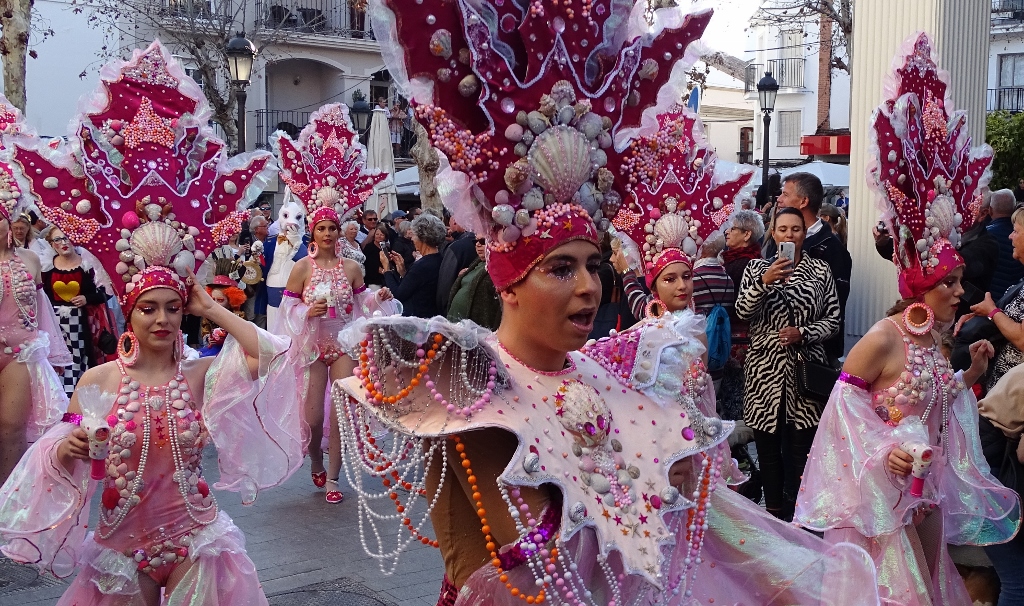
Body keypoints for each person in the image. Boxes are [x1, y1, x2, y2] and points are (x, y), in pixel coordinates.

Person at [331, 8, 881, 601]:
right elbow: (499, 570)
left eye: (594, 265)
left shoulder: (625, 373)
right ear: (508, 282)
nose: (590, 286)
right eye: (561, 269)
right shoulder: (463, 384)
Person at [0, 41, 305, 604]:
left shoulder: (199, 376)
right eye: (149, 308)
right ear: (129, 314)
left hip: (197, 543)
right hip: (121, 549)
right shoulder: (98, 384)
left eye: (171, 306)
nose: (162, 319)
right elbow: (60, 449)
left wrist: (210, 308)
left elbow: (273, 355)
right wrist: (70, 450)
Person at [796, 34, 1021, 605]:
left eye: (957, 281)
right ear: (920, 288)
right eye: (947, 284)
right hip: (882, 507)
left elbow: (936, 401)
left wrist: (969, 373)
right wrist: (882, 453)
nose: (958, 291)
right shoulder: (882, 337)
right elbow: (842, 413)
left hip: (921, 499)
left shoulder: (935, 341)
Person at [270, 101, 394, 504]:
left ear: (340, 232)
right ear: (313, 230)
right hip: (310, 346)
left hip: (341, 344)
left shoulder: (353, 267)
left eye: (333, 227)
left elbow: (363, 307)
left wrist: (380, 296)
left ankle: (336, 479)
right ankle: (316, 462)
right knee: (313, 419)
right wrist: (307, 310)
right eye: (321, 227)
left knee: (342, 411)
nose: (327, 233)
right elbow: (287, 310)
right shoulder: (301, 269)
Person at [735, 207, 840, 521]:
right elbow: (742, 311)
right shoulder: (756, 268)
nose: (789, 235)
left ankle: (799, 516)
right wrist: (765, 282)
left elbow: (833, 320)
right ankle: (773, 516)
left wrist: (804, 333)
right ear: (773, 233)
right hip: (763, 373)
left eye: (795, 229)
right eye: (782, 229)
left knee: (801, 451)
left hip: (804, 371)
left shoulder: (820, 271)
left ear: (804, 233)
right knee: (767, 451)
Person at [0, 202, 70, 484]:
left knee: (10, 429)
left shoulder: (30, 259)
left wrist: (53, 355)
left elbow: (42, 309)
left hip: (22, 353)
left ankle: (7, 499)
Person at [767, 172, 852, 362]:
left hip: (814, 354)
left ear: (803, 201)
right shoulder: (778, 241)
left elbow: (835, 309)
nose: (779, 199)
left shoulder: (831, 247)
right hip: (775, 354)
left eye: (785, 194)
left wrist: (803, 332)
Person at [41, 227, 111, 396]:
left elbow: (107, 292)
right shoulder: (47, 269)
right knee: (59, 359)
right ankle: (62, 396)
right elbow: (42, 296)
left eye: (67, 237)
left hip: (84, 325)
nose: (63, 243)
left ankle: (82, 393)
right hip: (56, 325)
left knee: (81, 357)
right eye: (58, 240)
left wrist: (87, 298)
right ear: (51, 245)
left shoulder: (89, 265)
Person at [720, 209, 764, 422]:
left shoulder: (742, 265)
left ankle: (739, 446)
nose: (727, 232)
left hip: (740, 340)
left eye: (733, 228)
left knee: (735, 394)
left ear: (747, 235)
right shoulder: (744, 260)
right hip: (743, 339)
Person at [382, 213, 445, 318]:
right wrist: (403, 272)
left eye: (414, 235)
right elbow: (416, 285)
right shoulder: (440, 258)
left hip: (419, 321)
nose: (412, 239)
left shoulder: (422, 265)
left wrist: (387, 269)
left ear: (422, 237)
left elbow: (398, 295)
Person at [445, 235, 501, 330]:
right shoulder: (477, 262)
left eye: (483, 241)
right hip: (455, 326)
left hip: (474, 333)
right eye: (475, 241)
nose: (478, 244)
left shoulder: (498, 268)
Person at [985, 188, 1024, 301]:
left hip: (992, 301)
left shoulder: (986, 235)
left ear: (990, 210)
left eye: (1016, 231)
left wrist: (994, 312)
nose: (1010, 236)